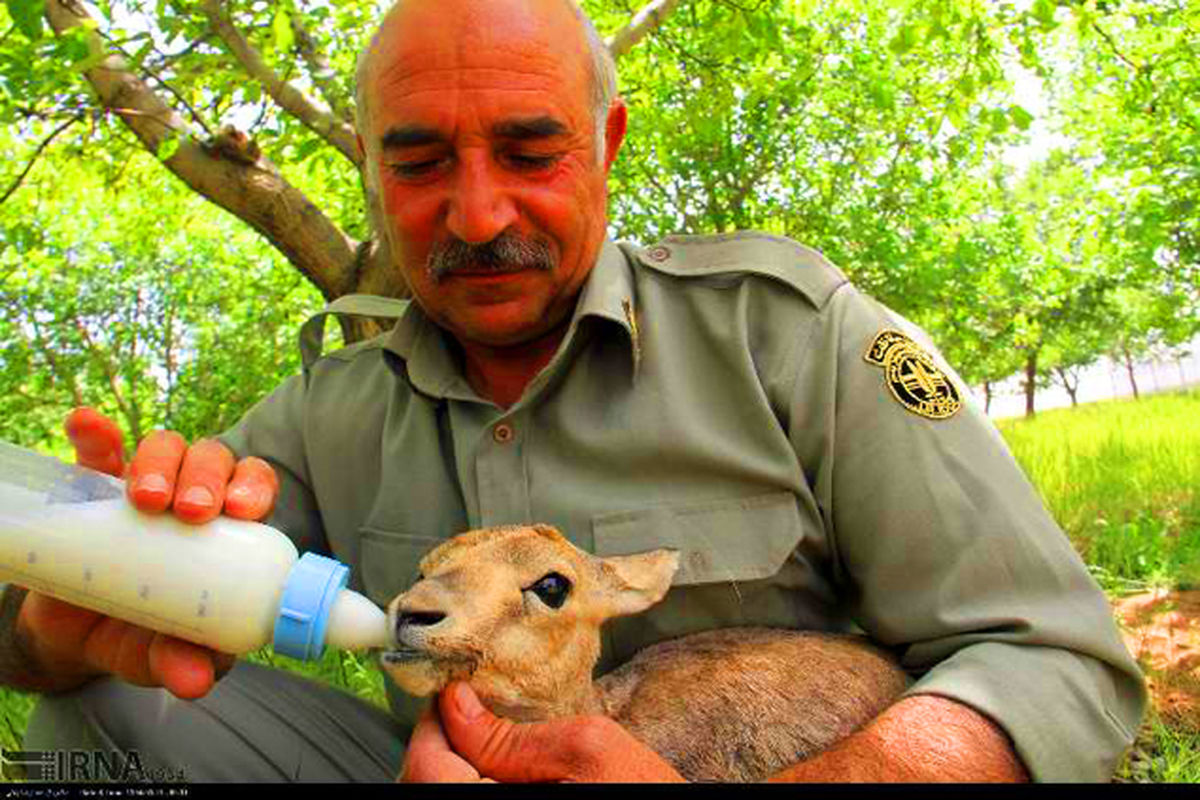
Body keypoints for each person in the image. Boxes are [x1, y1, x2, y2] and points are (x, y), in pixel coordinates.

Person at [0, 0, 1144, 783]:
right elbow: (45, 639)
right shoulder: (325, 408)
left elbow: (1056, 657)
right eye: (419, 160)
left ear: (607, 140)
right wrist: (64, 615)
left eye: (531, 150)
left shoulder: (793, 334)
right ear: (368, 166)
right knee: (88, 721)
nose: (479, 214)